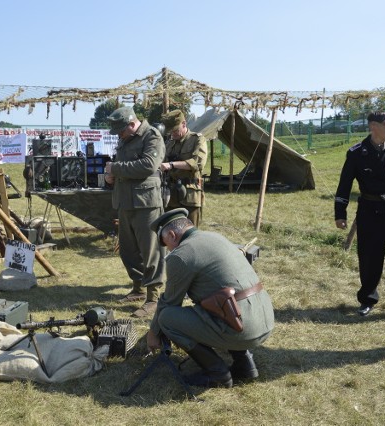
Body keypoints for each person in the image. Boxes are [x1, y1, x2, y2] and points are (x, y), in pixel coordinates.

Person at [145, 208, 274, 388]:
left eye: (166, 243)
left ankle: (217, 373)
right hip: (264, 319)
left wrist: (153, 333)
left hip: (244, 327)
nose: (167, 249)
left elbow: (169, 303)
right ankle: (245, 364)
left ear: (173, 235)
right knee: (217, 302)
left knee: (167, 318)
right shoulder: (215, 237)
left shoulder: (182, 255)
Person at [334, 111, 385, 316]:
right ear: (374, 127)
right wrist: (340, 213)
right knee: (370, 257)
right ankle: (368, 299)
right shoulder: (356, 153)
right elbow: (344, 185)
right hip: (370, 212)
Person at [104, 106, 166, 318]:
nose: (119, 136)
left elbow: (148, 165)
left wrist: (115, 168)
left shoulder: (152, 136)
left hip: (146, 203)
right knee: (128, 250)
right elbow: (120, 166)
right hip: (125, 201)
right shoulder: (126, 138)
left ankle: (153, 298)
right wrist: (109, 176)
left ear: (132, 124)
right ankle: (138, 289)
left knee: (150, 251)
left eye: (121, 131)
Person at [159, 110, 208, 226]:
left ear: (184, 124)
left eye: (175, 130)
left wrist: (171, 164)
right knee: (171, 231)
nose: (173, 134)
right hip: (171, 195)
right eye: (170, 132)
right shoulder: (169, 143)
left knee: (189, 232)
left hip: (190, 196)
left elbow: (197, 163)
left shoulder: (197, 139)